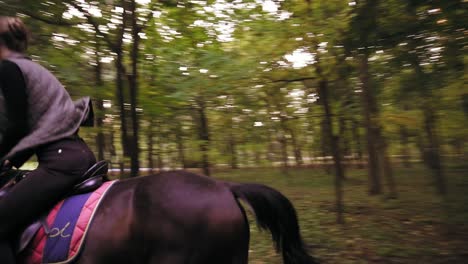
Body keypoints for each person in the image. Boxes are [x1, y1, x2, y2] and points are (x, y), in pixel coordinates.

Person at [0, 17, 96, 263]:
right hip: (74, 155)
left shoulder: (9, 68)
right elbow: (34, 131)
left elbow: (18, 128)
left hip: (60, 162)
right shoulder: (31, 69)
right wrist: (11, 162)